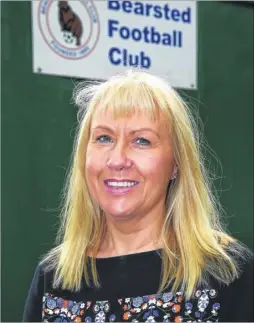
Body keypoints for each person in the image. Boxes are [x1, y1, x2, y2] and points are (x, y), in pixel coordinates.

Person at [23, 70, 253, 322]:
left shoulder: (228, 271)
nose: (117, 159)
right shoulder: (53, 276)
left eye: (142, 141)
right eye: (103, 138)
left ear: (176, 163)